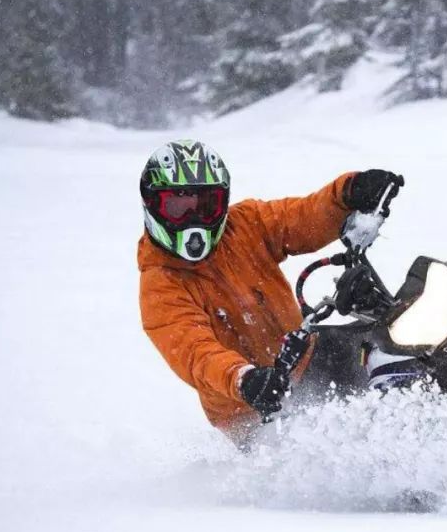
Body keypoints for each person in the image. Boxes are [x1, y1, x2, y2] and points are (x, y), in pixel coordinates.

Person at [137, 139, 403, 442]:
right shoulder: (161, 286)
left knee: (398, 346)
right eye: (178, 208)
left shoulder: (244, 224)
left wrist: (348, 192)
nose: (193, 221)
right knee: (334, 451)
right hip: (253, 407)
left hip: (305, 353)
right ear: (152, 205)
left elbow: (302, 218)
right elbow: (196, 353)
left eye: (206, 206)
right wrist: (244, 379)